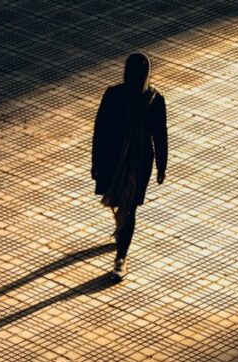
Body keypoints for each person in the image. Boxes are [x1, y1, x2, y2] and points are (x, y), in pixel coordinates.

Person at [91, 52, 168, 280]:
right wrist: (96, 161)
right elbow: (101, 129)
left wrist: (161, 166)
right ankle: (121, 230)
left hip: (138, 163)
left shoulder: (154, 100)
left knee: (130, 206)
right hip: (113, 161)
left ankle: (121, 257)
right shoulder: (113, 96)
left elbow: (159, 135)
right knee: (118, 203)